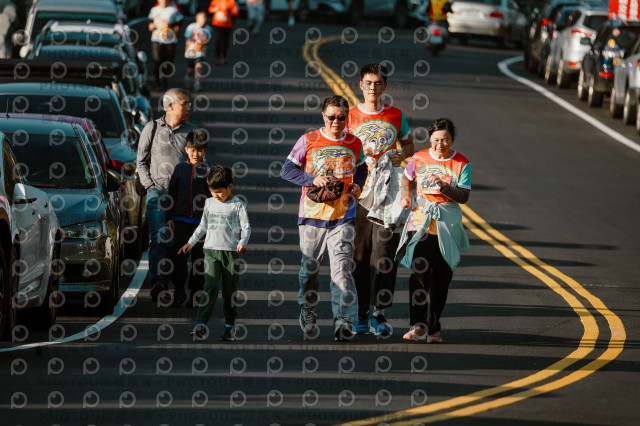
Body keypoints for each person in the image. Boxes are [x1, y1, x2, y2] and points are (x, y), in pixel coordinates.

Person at [280, 95, 367, 341]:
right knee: (310, 270)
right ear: (323, 116)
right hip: (312, 216)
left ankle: (343, 320)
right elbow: (286, 170)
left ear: (346, 117)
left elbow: (362, 167)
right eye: (331, 117)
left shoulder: (355, 142)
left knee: (342, 270)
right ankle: (308, 308)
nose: (336, 122)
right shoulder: (308, 140)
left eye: (341, 117)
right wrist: (312, 180)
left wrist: (359, 185)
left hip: (343, 215)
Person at [347, 63, 415, 337]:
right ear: (360, 85)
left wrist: (402, 155)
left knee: (385, 254)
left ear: (385, 86)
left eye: (377, 83)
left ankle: (379, 313)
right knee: (359, 255)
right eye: (368, 83)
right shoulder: (349, 116)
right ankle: (360, 314)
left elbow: (409, 145)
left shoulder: (396, 115)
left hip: (389, 196)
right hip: (359, 194)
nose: (372, 88)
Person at [396, 118, 470, 343]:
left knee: (441, 278)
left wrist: (445, 186)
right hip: (421, 222)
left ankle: (434, 326)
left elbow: (464, 196)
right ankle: (418, 326)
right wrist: (406, 196)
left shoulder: (461, 163)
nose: (440, 144)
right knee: (419, 276)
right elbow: (406, 178)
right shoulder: (419, 158)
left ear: (452, 140)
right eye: (436, 139)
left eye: (445, 140)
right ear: (430, 139)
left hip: (447, 224)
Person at [136, 88, 196, 304]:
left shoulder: (191, 132)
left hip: (182, 198)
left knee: (177, 243)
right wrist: (150, 185)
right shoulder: (151, 128)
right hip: (158, 194)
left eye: (189, 104)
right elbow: (141, 161)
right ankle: (158, 283)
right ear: (170, 106)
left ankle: (177, 285)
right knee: (159, 238)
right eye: (185, 103)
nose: (189, 108)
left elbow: (198, 163)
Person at [179, 165, 251, 341]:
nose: (215, 195)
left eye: (219, 192)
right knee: (210, 287)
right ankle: (201, 324)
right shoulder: (209, 202)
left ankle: (229, 326)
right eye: (212, 191)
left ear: (230, 187)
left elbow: (246, 227)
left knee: (229, 291)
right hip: (210, 251)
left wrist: (242, 242)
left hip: (230, 254)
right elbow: (203, 225)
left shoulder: (237, 205)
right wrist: (191, 242)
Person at [165, 129, 210, 308]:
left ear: (205, 151)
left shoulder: (208, 171)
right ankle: (179, 291)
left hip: (201, 224)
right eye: (192, 150)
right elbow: (172, 193)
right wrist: (170, 216)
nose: (195, 154)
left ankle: (196, 294)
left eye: (199, 150)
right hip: (181, 221)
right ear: (186, 150)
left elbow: (213, 197)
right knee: (179, 258)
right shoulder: (180, 169)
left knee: (199, 260)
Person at [148, 0, 184, 91]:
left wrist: (173, 26)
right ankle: (158, 84)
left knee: (168, 62)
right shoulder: (154, 10)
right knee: (157, 60)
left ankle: (165, 82)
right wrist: (152, 25)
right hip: (157, 39)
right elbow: (150, 23)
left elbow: (180, 22)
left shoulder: (173, 10)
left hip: (170, 40)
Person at [183, 11, 212, 92]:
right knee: (191, 69)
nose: (204, 19)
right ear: (197, 18)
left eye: (205, 18)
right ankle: (188, 77)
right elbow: (187, 36)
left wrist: (203, 41)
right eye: (202, 18)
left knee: (199, 66)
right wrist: (196, 40)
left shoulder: (208, 28)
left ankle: (197, 84)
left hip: (201, 52)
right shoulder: (191, 27)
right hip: (190, 52)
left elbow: (209, 38)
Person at [208, 0, 238, 65]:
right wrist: (215, 9)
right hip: (217, 24)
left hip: (227, 25)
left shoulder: (231, 1)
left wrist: (228, 11)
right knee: (218, 40)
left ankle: (224, 56)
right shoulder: (215, 1)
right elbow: (210, 10)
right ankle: (217, 57)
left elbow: (235, 12)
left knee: (225, 41)